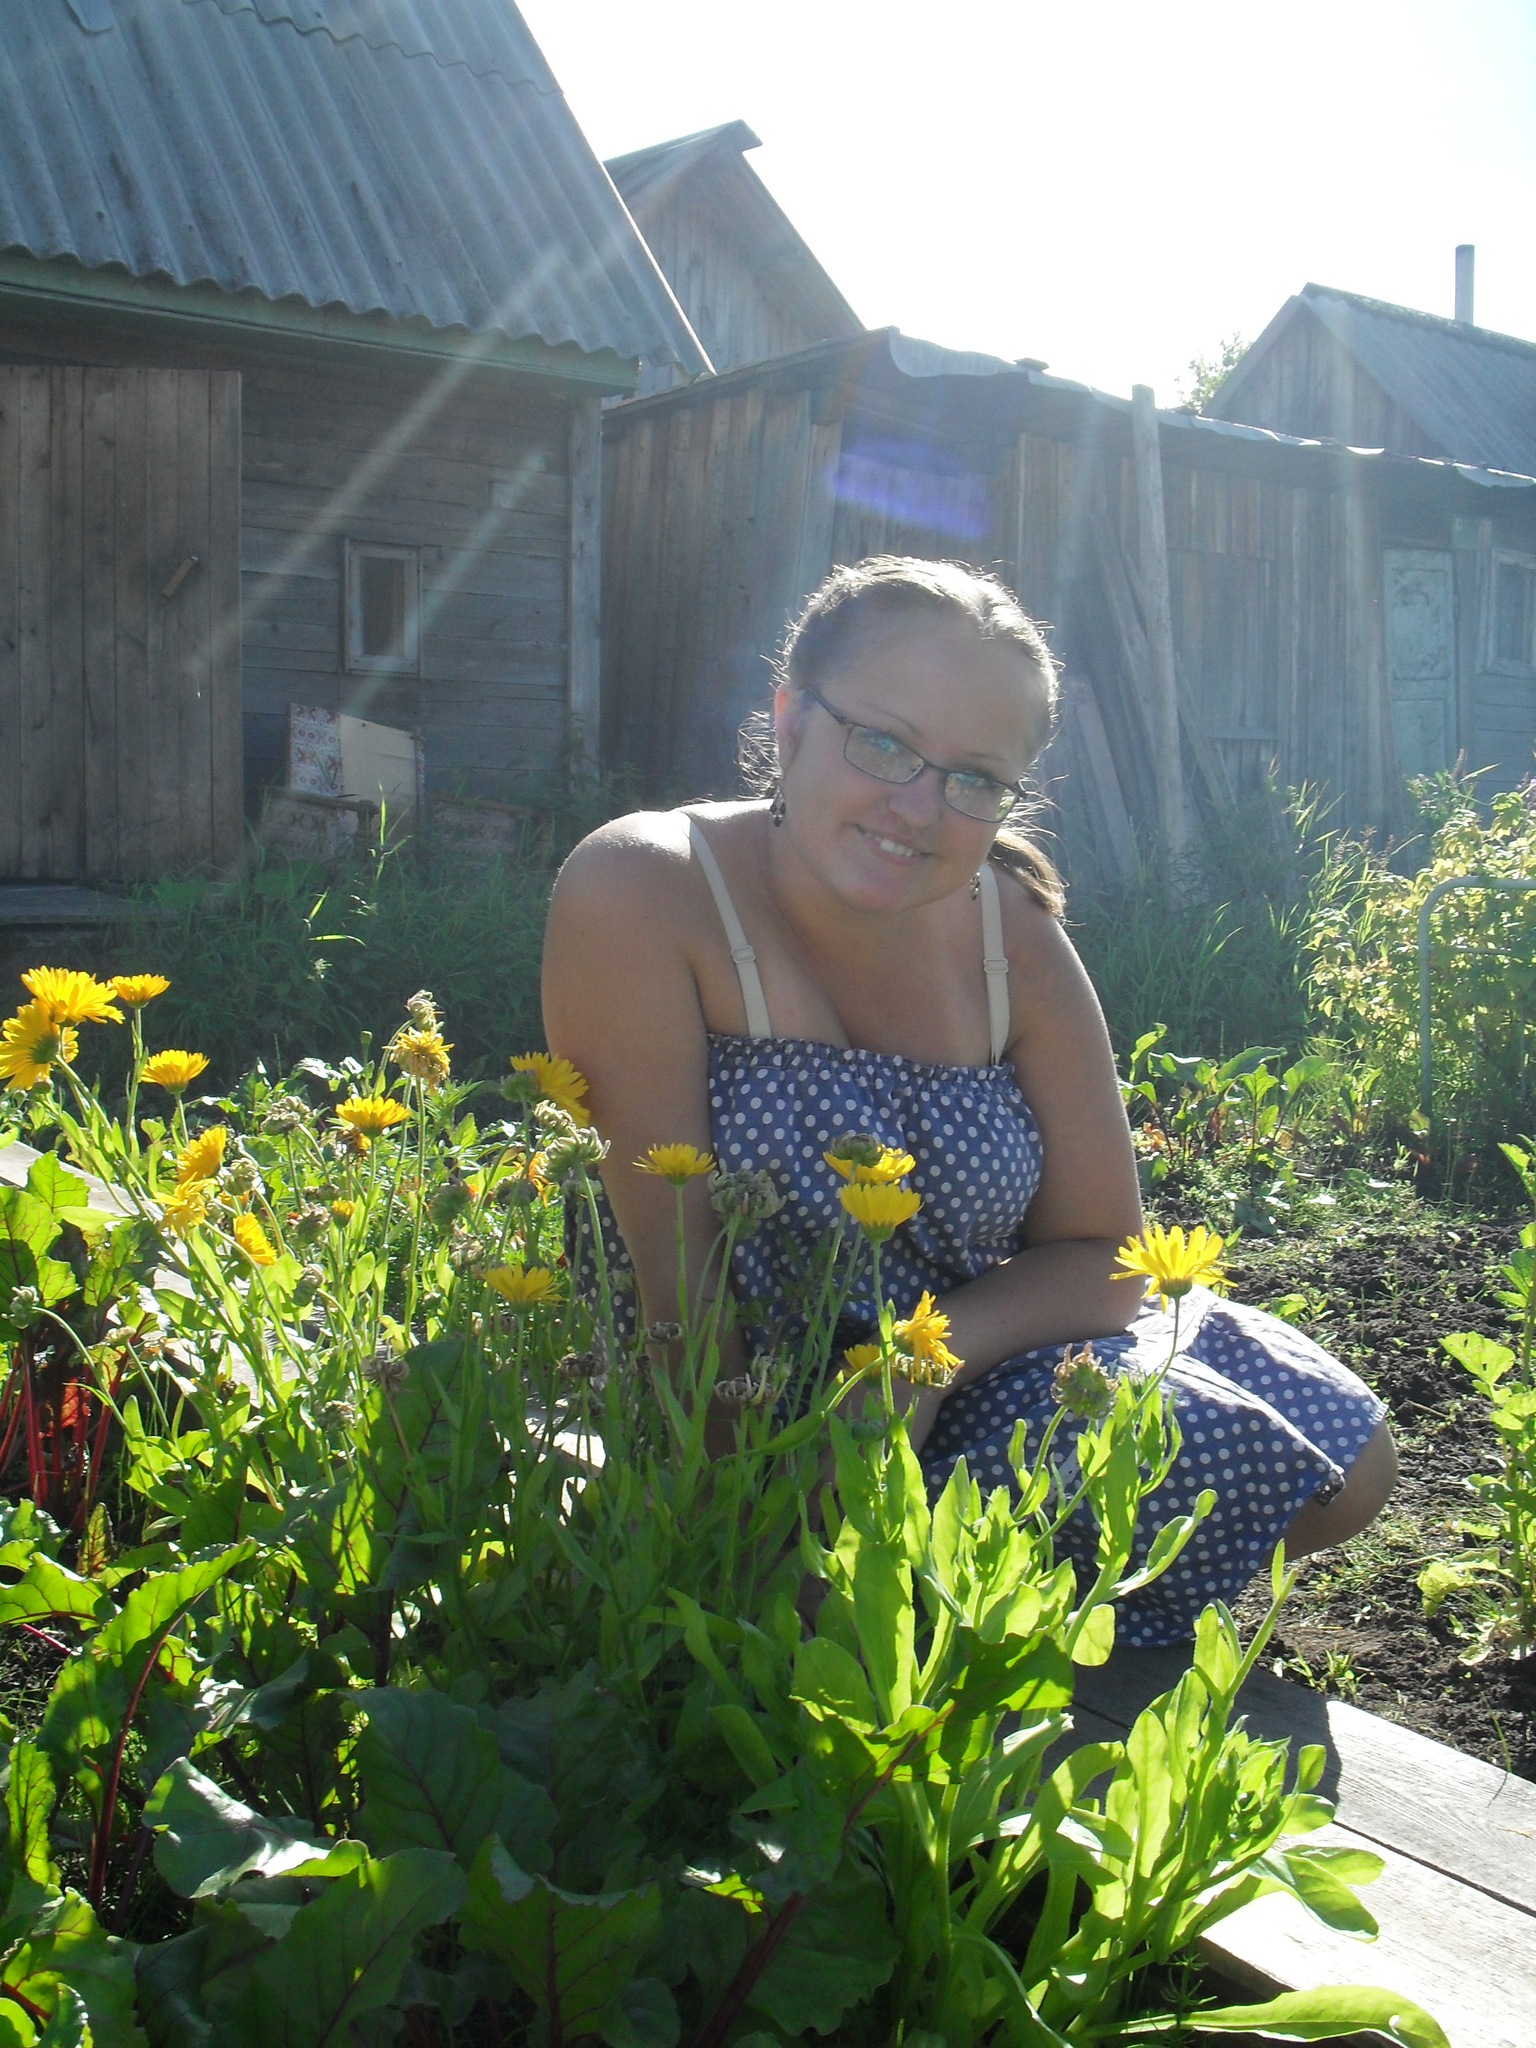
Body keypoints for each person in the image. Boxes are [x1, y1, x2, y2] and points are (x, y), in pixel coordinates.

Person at [542, 556, 1395, 1645]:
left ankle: (1006, 1624)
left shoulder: (1013, 940)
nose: (919, 808)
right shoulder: (646, 885)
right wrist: (742, 1521)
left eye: (975, 779)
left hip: (955, 1371)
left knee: (1347, 1457)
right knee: (830, 1600)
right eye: (884, 744)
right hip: (729, 1393)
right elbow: (676, 1278)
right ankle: (995, 1628)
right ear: (791, 720)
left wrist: (920, 1363)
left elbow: (1105, 1249)